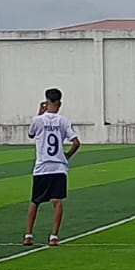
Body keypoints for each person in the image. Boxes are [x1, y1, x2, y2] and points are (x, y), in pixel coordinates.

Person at [25, 89, 80, 247]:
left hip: (42, 166)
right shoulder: (63, 121)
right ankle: (54, 236)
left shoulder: (38, 120)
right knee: (57, 201)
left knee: (35, 201)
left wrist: (39, 113)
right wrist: (67, 155)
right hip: (58, 167)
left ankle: (28, 235)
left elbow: (30, 134)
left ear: (46, 101)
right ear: (60, 103)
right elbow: (76, 143)